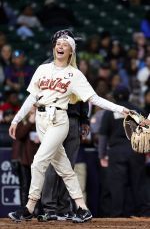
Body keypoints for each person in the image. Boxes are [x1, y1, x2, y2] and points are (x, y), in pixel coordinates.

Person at [8, 29, 129, 223]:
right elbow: (31, 97)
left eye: (65, 43)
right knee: (64, 168)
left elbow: (94, 99)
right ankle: (82, 208)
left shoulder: (74, 74)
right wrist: (16, 119)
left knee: (39, 161)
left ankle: (30, 206)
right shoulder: (42, 69)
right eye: (58, 42)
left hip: (59, 119)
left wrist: (121, 109)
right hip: (41, 120)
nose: (60, 45)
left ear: (71, 50)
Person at [98, 85, 150, 217]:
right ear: (129, 95)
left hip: (116, 152)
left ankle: (117, 215)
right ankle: (144, 213)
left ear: (114, 97)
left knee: (117, 185)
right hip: (136, 151)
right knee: (139, 183)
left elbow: (103, 135)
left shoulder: (109, 112)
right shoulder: (138, 110)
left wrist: (102, 155)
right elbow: (147, 132)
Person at [38, 101, 89, 221]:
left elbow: (83, 96)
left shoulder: (78, 80)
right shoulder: (53, 81)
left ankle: (63, 209)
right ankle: (50, 209)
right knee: (53, 165)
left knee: (68, 168)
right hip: (55, 117)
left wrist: (84, 120)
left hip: (73, 119)